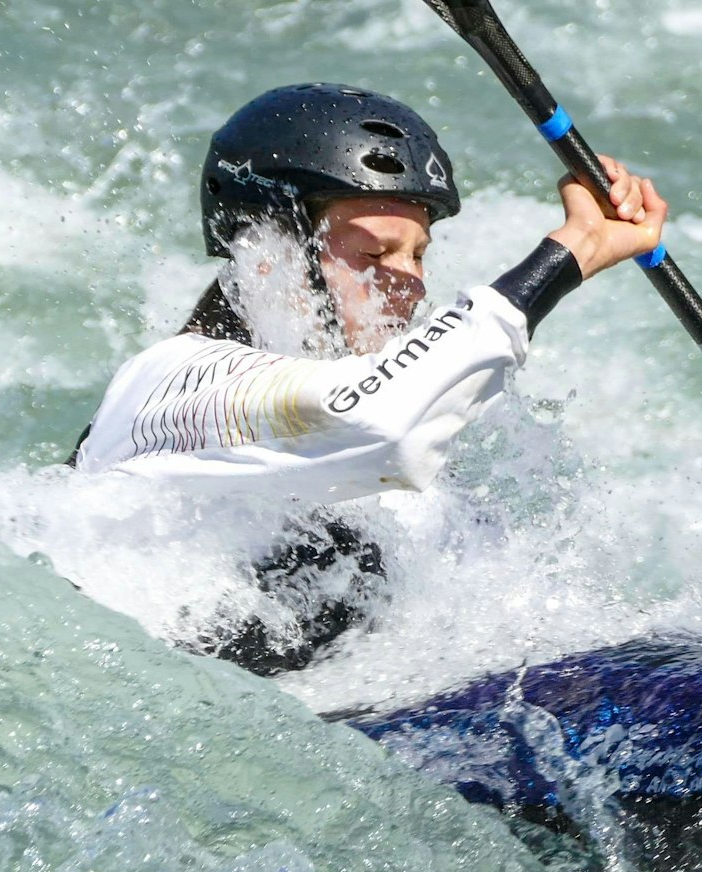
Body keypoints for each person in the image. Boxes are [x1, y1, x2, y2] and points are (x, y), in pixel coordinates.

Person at [68, 82, 666, 674]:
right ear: (267, 250)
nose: (410, 282)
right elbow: (377, 418)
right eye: (374, 255)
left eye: (418, 255)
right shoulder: (167, 385)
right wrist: (571, 250)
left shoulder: (400, 481)